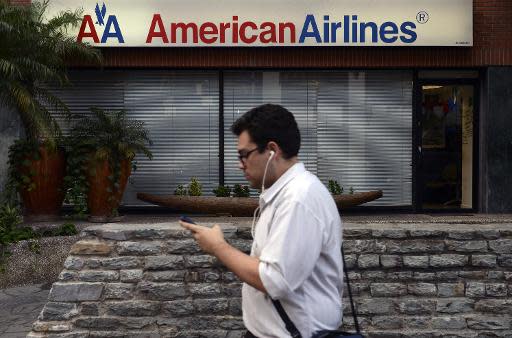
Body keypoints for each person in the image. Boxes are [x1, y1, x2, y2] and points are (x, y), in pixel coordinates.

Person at [180, 103, 343, 338]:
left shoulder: (298, 198)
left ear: (272, 151)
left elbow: (275, 280)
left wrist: (218, 247)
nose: (240, 164)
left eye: (244, 154)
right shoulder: (284, 193)